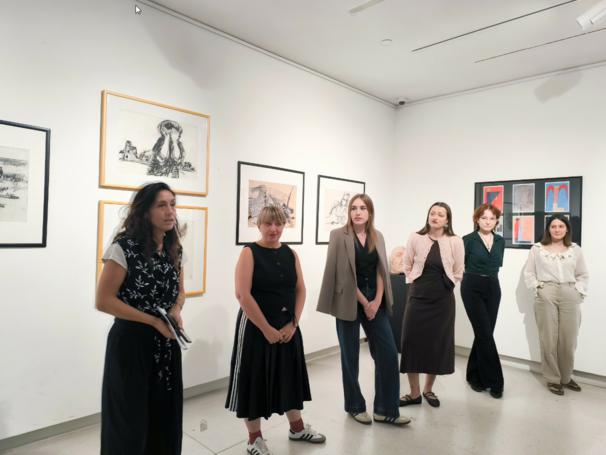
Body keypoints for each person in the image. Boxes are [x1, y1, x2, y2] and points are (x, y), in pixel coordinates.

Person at [226, 205, 325, 455]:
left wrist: (294, 323)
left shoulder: (291, 253)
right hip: (255, 328)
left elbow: (301, 289)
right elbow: (242, 295)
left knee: (290, 377)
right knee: (254, 381)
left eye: (278, 224)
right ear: (259, 225)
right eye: (268, 224)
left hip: (287, 328)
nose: (274, 229)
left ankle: (297, 428)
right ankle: (254, 439)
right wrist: (266, 329)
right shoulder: (249, 252)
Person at [96, 182, 185, 455]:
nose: (170, 211)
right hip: (131, 346)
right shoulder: (123, 248)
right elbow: (104, 300)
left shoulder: (174, 248)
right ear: (145, 211)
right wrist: (153, 321)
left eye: (172, 204)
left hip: (166, 345)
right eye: (162, 205)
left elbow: (180, 292)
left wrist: (175, 311)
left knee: (164, 417)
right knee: (129, 422)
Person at [317, 194, 410, 426]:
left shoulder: (377, 236)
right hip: (348, 299)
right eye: (354, 208)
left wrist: (376, 300)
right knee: (350, 356)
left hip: (375, 299)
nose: (358, 212)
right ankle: (355, 406)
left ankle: (386, 410)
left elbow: (381, 270)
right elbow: (342, 274)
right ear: (349, 212)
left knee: (388, 354)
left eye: (363, 208)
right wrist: (364, 302)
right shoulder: (338, 235)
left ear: (370, 213)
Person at [399, 202, 464, 408]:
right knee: (411, 342)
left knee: (436, 344)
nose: (435, 217)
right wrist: (414, 282)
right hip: (418, 296)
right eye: (432, 213)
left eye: (440, 214)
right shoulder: (415, 237)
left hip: (442, 300)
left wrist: (447, 284)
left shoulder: (455, 241)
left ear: (447, 220)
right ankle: (414, 393)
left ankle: (428, 389)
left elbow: (459, 270)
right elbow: (406, 264)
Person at [524, 214, 589, 395]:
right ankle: (553, 378)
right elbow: (529, 273)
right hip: (547, 292)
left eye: (561, 226)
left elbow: (583, 274)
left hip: (570, 292)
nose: (557, 229)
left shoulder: (575, 249)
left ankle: (566, 377)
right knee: (548, 338)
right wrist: (539, 288)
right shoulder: (537, 249)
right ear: (548, 229)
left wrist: (578, 291)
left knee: (569, 339)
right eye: (553, 226)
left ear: (566, 229)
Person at [461, 204, 505, 398]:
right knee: (485, 334)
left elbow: (497, 265)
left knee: (484, 334)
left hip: (493, 287)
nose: (488, 221)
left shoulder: (500, 241)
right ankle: (496, 382)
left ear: (496, 221)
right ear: (477, 219)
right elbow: (459, 265)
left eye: (492, 218)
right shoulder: (467, 240)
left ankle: (474, 376)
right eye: (484, 218)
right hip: (472, 287)